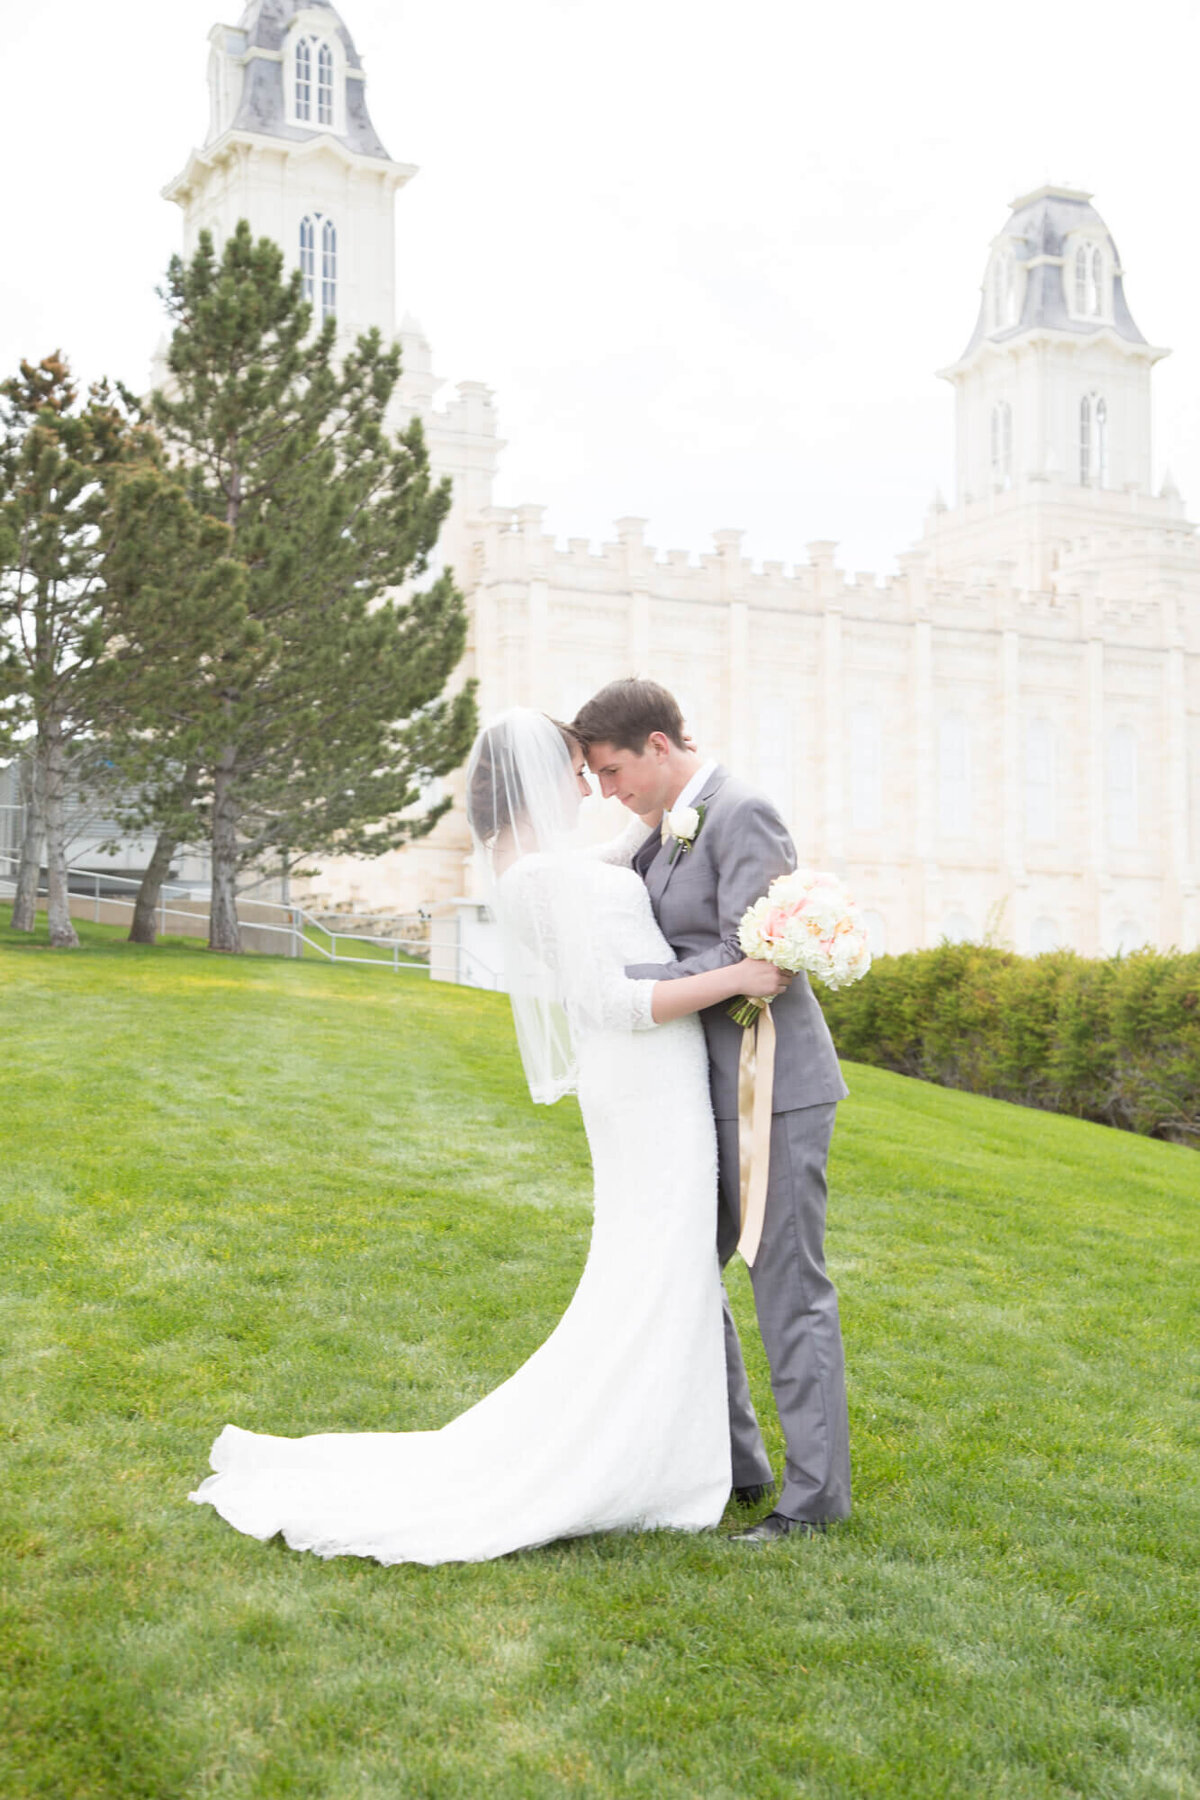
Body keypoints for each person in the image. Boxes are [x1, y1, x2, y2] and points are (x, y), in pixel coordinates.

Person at [189, 709, 788, 1566]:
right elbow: (607, 1002)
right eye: (578, 770)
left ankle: (690, 1448)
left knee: (664, 1259)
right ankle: (645, 1456)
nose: (591, 784)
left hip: (653, 1085)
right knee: (659, 1256)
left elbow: (644, 847)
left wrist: (684, 800)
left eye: (596, 768)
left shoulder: (550, 865)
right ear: (537, 779)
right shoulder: (538, 879)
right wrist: (742, 974)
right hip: (645, 1084)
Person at [572, 678, 851, 1541]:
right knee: (690, 1275)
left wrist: (616, 988)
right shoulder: (657, 832)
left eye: (614, 772)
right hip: (701, 1093)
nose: (610, 793)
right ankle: (737, 1462)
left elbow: (746, 951)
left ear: (660, 745)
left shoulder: (742, 813)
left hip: (773, 1088)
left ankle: (813, 1502)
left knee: (786, 1288)